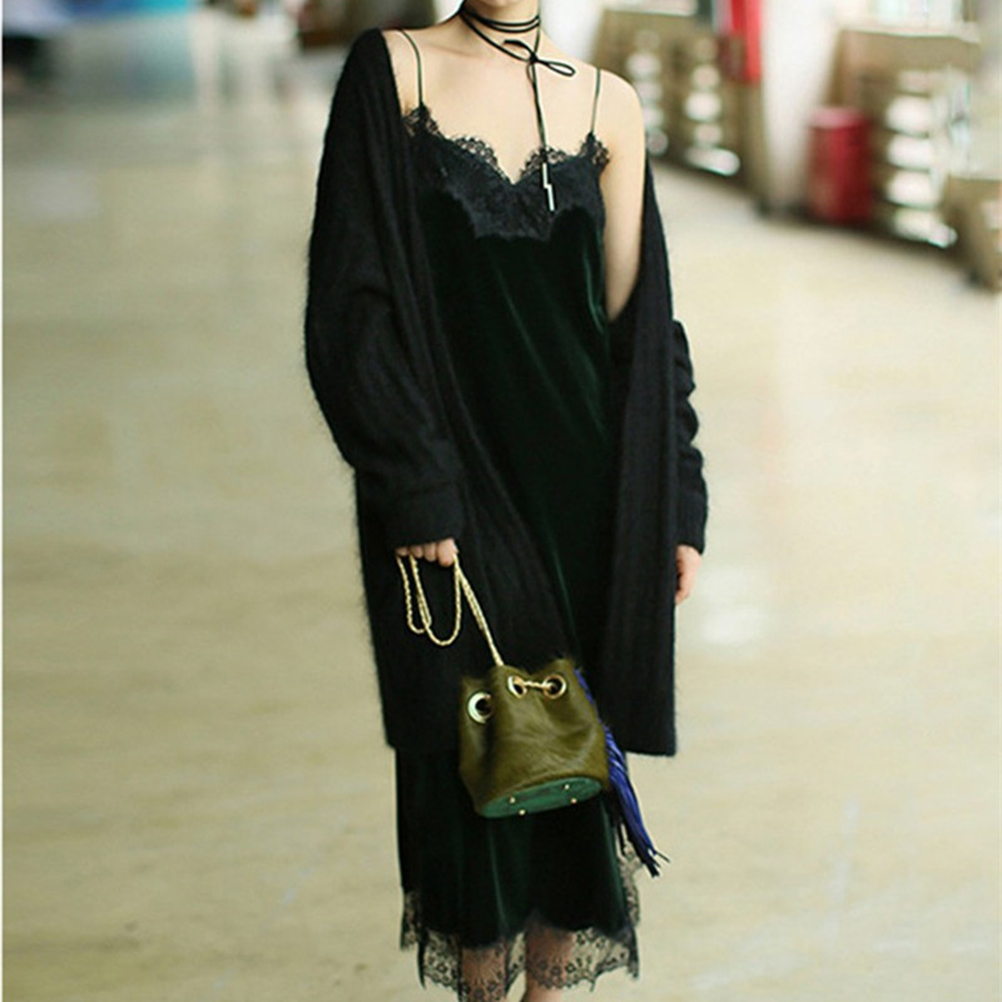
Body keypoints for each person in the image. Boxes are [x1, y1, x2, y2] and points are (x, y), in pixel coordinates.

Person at [303, 2, 708, 999]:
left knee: (564, 772)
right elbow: (351, 305)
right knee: (474, 773)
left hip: (587, 500)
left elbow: (642, 329)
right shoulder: (391, 74)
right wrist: (414, 481)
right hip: (451, 491)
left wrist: (677, 501)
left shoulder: (608, 103)